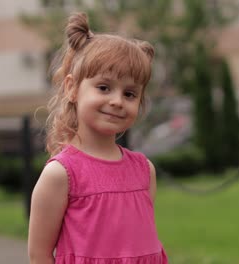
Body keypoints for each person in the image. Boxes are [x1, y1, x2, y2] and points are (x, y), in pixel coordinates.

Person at [28, 12, 168, 264]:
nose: (117, 101)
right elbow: (39, 254)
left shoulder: (144, 170)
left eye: (130, 93)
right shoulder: (61, 174)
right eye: (104, 88)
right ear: (72, 88)